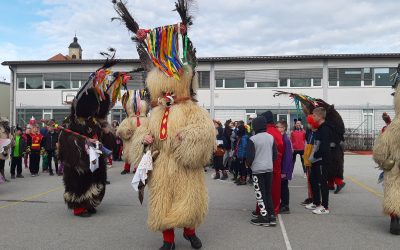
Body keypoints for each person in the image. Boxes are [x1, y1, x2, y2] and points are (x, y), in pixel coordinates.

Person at [246, 116, 277, 226]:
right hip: (269, 169)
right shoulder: (271, 137)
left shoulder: (253, 139)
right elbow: (275, 155)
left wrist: (248, 165)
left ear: (255, 126)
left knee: (260, 193)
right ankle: (271, 215)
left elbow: (250, 156)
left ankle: (264, 217)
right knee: (268, 193)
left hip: (258, 170)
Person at [306, 107, 332, 215]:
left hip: (322, 160)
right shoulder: (320, 128)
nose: (313, 117)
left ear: (320, 116)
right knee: (313, 180)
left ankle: (324, 207)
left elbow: (324, 146)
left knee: (322, 183)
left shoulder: (325, 128)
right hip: (316, 160)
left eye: (314, 115)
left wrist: (316, 155)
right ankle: (316, 202)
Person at [259, 111, 284, 216]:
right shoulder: (277, 132)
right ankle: (274, 210)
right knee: (274, 189)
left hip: (264, 165)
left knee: (262, 188)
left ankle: (262, 211)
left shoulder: (265, 132)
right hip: (276, 166)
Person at [301, 115, 319, 206]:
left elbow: (314, 148)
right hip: (308, 159)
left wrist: (310, 159)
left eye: (309, 123)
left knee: (313, 181)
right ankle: (310, 197)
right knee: (309, 180)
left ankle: (314, 198)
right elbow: (307, 145)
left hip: (312, 160)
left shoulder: (316, 134)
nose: (308, 124)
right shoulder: (310, 133)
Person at [278, 121, 294, 214]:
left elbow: (287, 157)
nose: (277, 128)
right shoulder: (281, 138)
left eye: (278, 127)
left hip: (284, 168)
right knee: (281, 187)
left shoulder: (286, 140)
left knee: (284, 187)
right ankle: (283, 203)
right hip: (281, 168)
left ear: (283, 128)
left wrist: (284, 171)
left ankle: (285, 206)